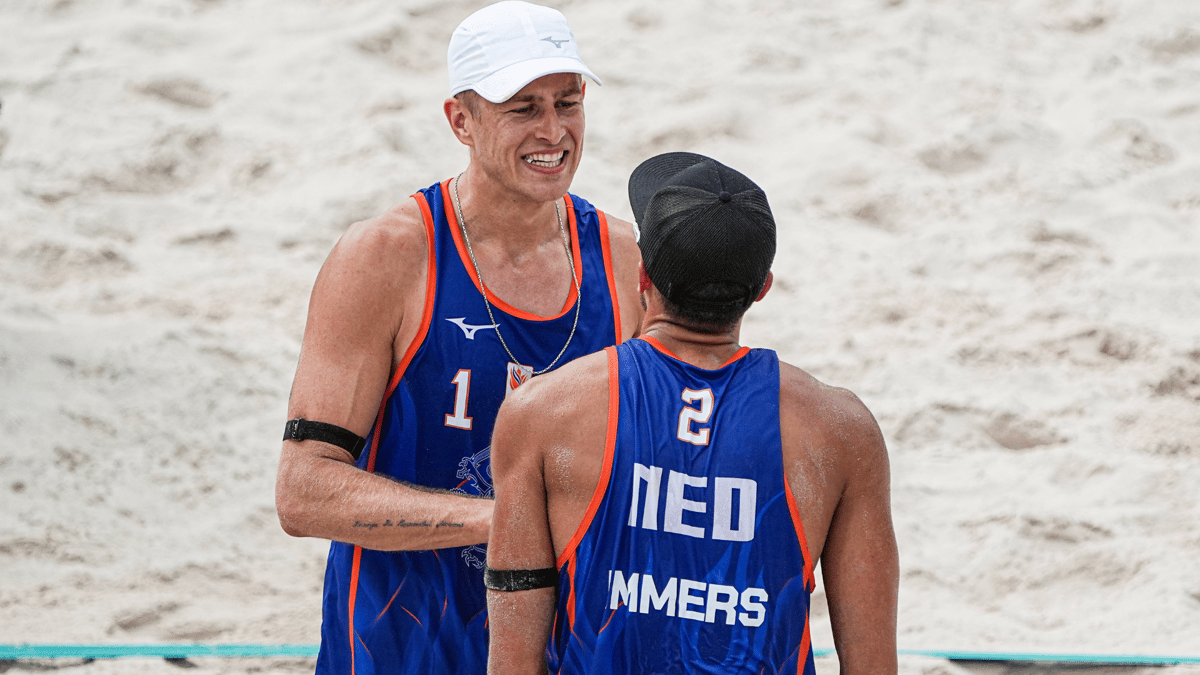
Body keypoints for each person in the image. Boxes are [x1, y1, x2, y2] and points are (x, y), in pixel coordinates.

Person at [273, 2, 643, 673]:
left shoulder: (622, 259)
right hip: (401, 648)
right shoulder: (385, 257)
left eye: (568, 101)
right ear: (460, 121)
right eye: (523, 108)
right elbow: (304, 491)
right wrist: (504, 523)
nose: (554, 130)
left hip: (569, 650)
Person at [485, 152, 899, 675]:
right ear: (762, 288)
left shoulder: (542, 412)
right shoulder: (840, 430)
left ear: (642, 276)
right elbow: (872, 665)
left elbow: (513, 661)